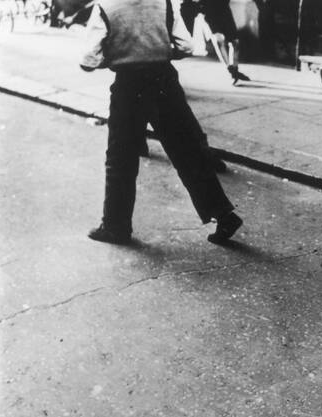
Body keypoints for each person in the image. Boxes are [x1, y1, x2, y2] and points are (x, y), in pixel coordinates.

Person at [80, 0, 242, 246]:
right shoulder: (163, 2)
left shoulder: (105, 7)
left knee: (121, 158)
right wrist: (160, 50)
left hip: (129, 85)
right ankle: (223, 215)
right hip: (164, 81)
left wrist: (116, 55)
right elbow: (186, 46)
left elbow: (88, 59)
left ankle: (116, 226)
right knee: (188, 152)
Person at [180, 0, 250, 85]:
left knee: (235, 43)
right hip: (209, 13)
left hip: (224, 11)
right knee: (219, 40)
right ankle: (230, 70)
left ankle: (234, 69)